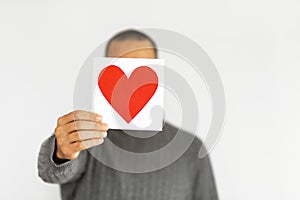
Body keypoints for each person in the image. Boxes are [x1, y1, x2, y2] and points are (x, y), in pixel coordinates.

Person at [38, 29, 219, 200]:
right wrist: (61, 152)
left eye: (142, 69)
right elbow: (50, 172)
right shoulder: (85, 140)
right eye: (120, 68)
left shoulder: (190, 148)